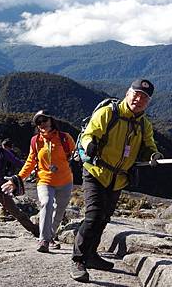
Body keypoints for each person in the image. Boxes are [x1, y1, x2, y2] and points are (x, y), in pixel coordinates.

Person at [70, 79, 163, 283]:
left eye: (144, 98)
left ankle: (92, 255)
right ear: (127, 93)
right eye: (136, 94)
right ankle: (78, 260)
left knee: (104, 218)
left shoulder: (143, 124)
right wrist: (89, 145)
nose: (138, 99)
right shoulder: (109, 113)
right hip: (96, 171)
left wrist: (154, 154)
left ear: (148, 102)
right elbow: (89, 134)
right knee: (94, 216)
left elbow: (149, 145)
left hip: (118, 178)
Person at [2, 110, 75, 253]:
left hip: (65, 181)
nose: (42, 124)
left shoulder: (65, 138)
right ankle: (44, 240)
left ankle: (50, 236)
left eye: (45, 120)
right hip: (44, 180)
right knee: (46, 204)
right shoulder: (36, 141)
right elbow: (30, 163)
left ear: (51, 120)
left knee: (59, 212)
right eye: (38, 122)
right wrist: (16, 180)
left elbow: (77, 152)